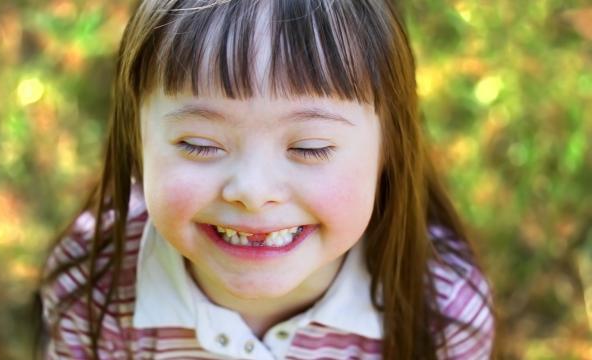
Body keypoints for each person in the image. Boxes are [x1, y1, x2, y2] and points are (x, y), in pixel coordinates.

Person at [38, 0, 495, 359]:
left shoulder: (443, 313)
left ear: (390, 149)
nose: (253, 193)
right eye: (199, 143)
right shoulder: (92, 289)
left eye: (310, 147)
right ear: (134, 141)